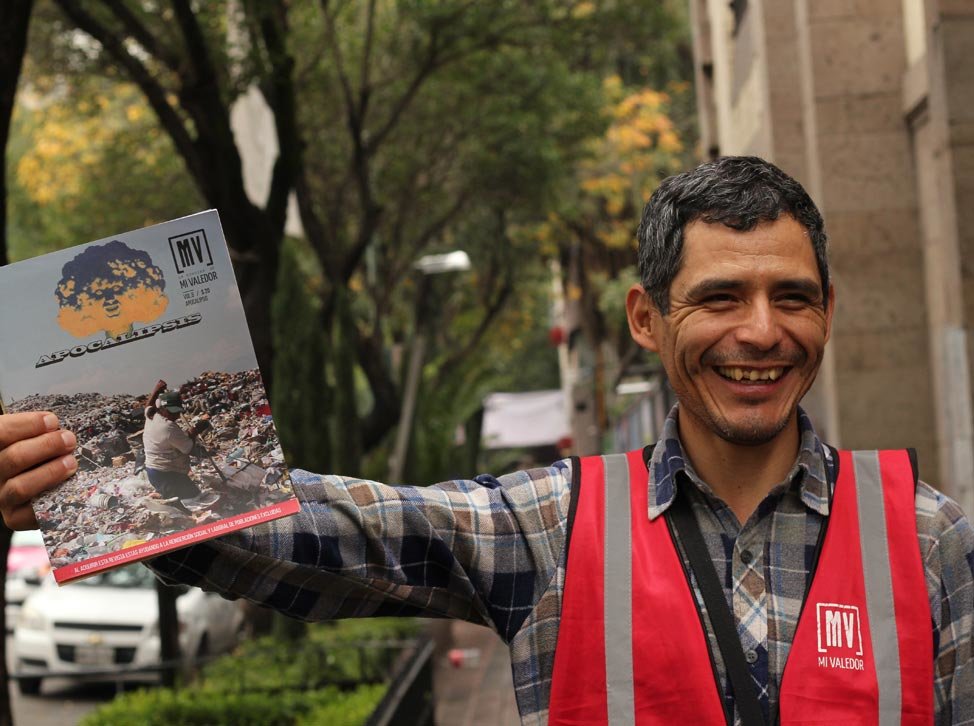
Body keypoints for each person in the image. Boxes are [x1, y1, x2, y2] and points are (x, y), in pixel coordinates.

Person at [1, 157, 970, 725]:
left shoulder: (932, 545)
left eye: (790, 297)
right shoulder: (553, 526)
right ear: (645, 318)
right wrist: (80, 474)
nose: (760, 332)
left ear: (828, 309)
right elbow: (330, 531)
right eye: (719, 297)